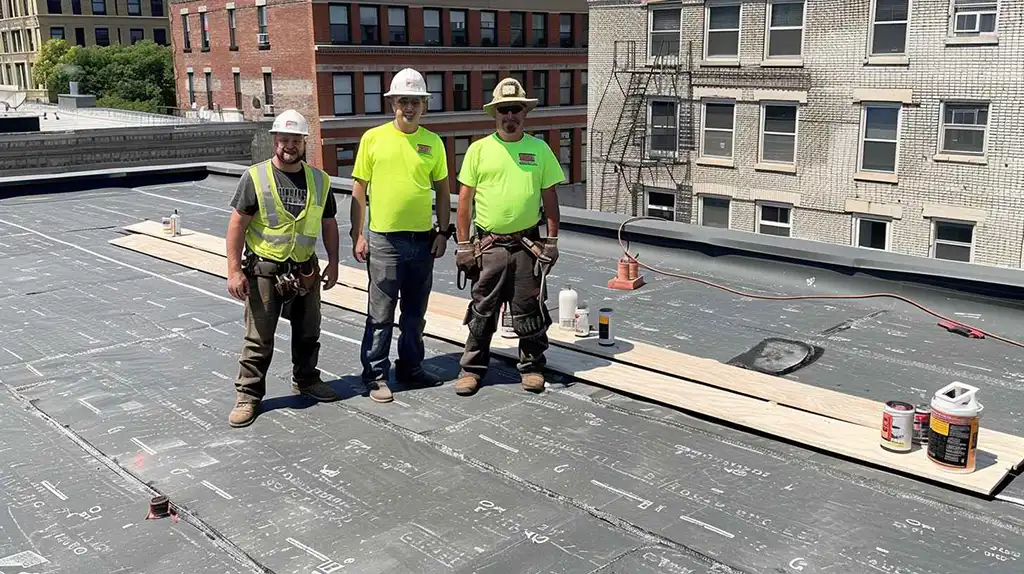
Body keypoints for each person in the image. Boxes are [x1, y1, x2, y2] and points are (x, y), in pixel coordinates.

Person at [224, 109, 342, 427]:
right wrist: (234, 270)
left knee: (308, 332)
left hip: (305, 270)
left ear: (304, 142)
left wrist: (334, 261)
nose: (289, 145)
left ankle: (306, 380)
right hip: (265, 270)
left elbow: (329, 224)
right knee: (258, 339)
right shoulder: (256, 177)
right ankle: (248, 396)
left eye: (295, 140)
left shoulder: (320, 180)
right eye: (283, 139)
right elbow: (237, 225)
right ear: (275, 140)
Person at [453, 77, 563, 397]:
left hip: (527, 246)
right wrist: (462, 245)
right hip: (488, 247)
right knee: (482, 310)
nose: (510, 116)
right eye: (504, 110)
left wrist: (552, 240)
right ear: (495, 114)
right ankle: (472, 369)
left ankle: (531, 367)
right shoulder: (479, 150)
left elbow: (550, 197)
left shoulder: (539, 149)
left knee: (529, 307)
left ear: (525, 113)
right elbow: (464, 200)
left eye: (516, 109)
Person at [350, 68, 452, 403]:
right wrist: (358, 235)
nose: (409, 107)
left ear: (425, 105)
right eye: (403, 101)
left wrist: (442, 232)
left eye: (416, 101)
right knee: (380, 314)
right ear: (393, 102)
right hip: (384, 241)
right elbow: (359, 189)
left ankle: (410, 367)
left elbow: (442, 190)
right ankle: (375, 375)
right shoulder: (373, 139)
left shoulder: (433, 142)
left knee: (413, 314)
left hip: (422, 240)